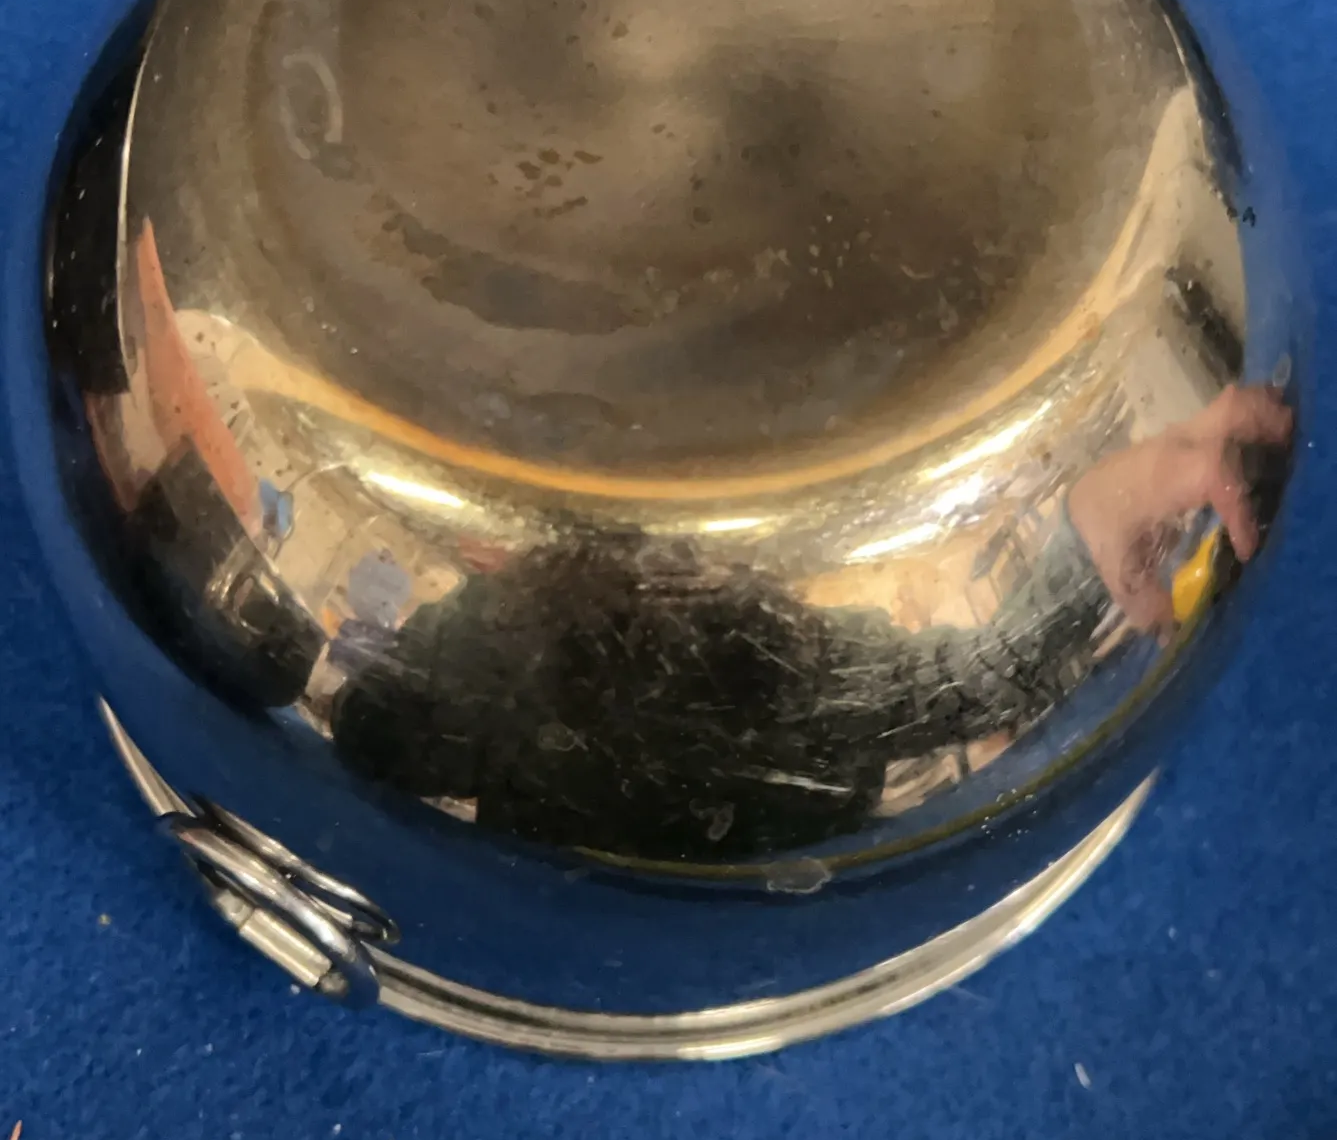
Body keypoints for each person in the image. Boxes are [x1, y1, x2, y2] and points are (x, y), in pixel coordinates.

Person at [332, 382, 1294, 863]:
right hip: (560, 922)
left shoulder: (750, 632)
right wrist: (515, 641)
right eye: (599, 541)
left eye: (658, 547)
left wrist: (1090, 523)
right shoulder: (499, 630)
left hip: (801, 897)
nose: (641, 574)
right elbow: (373, 734)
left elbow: (959, 687)